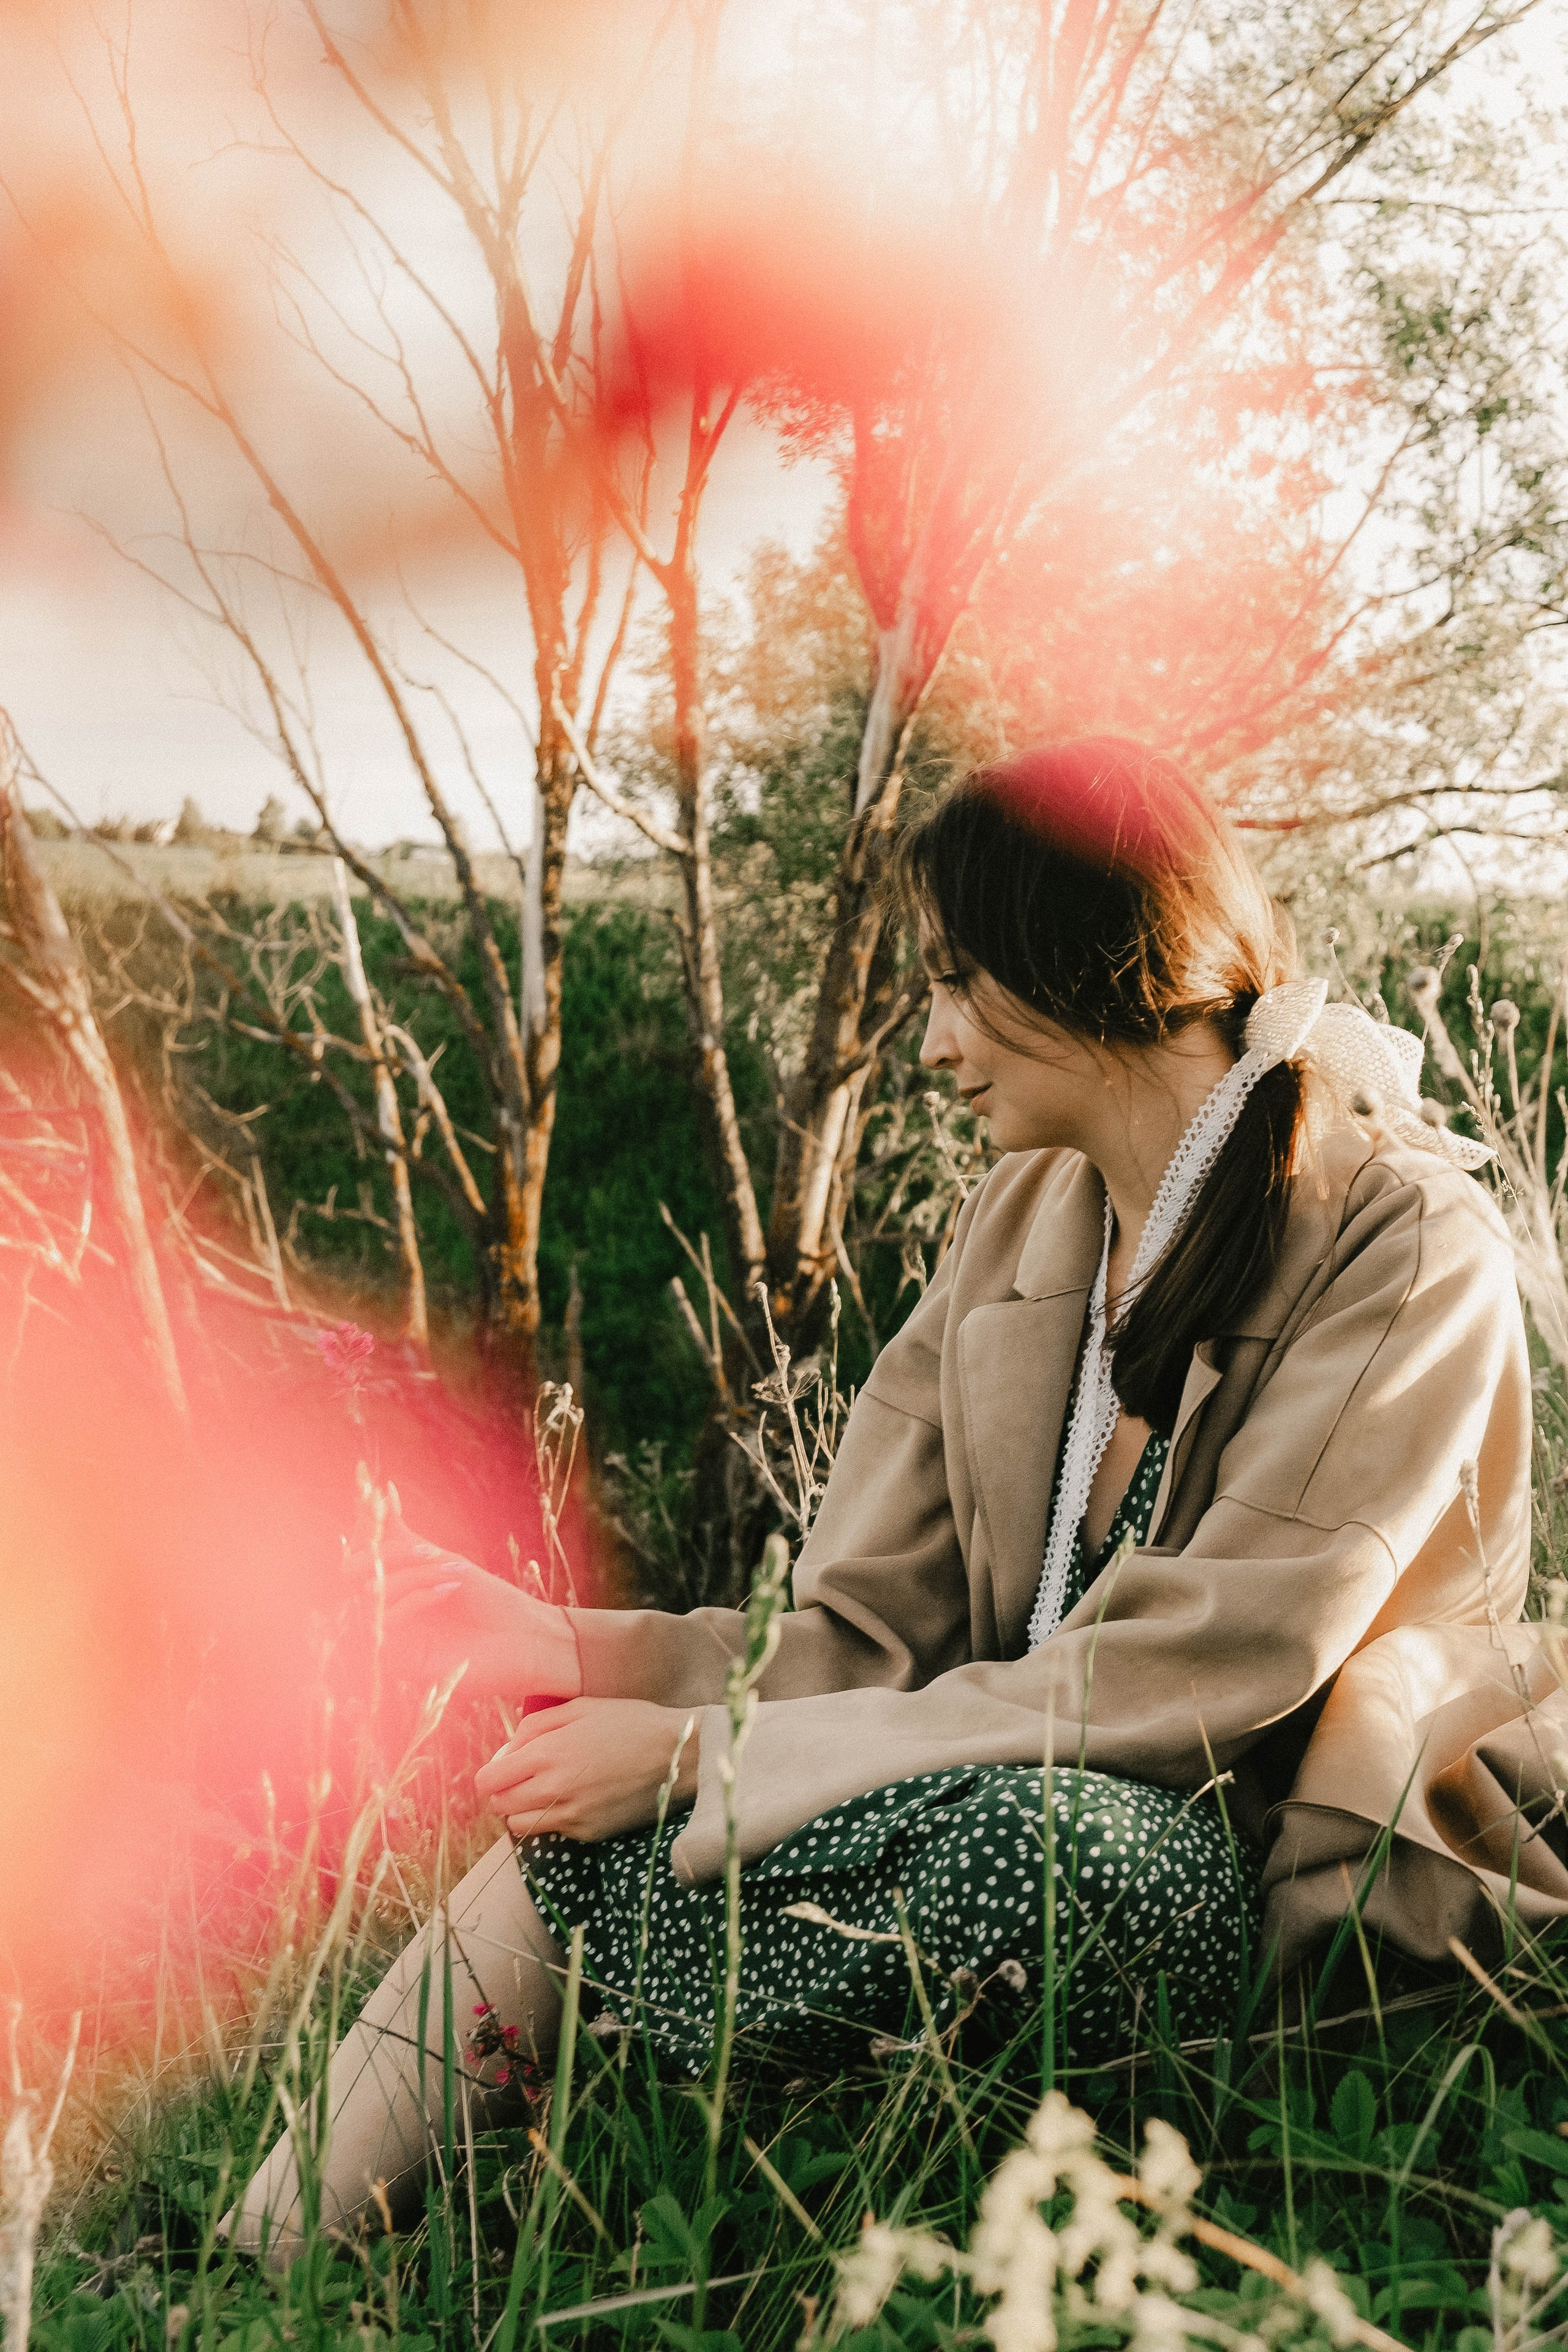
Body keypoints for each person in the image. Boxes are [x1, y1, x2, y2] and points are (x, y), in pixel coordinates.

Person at [228, 737, 1556, 2266]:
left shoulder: (1403, 1246)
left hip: (1271, 1883)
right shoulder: (1017, 1222)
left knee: (1039, 1846)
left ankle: (929, 2253)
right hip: (986, 1803)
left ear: (1084, 965)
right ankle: (263, 2261)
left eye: (950, 981)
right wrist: (588, 1658)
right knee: (574, 1801)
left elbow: (1219, 1667)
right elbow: (868, 1626)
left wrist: (709, 1761)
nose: (928, 1044)